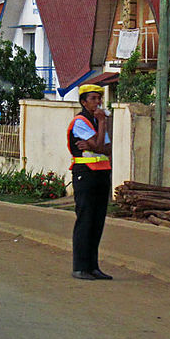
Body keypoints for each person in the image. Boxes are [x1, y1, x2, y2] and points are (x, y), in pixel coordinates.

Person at [67, 84, 113, 281]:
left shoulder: (95, 120)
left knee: (97, 221)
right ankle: (80, 266)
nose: (98, 102)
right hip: (85, 174)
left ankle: (93, 266)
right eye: (93, 98)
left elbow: (107, 148)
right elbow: (101, 144)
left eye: (99, 98)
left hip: (102, 174)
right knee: (85, 220)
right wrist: (102, 125)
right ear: (84, 102)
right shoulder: (80, 121)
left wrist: (97, 143)